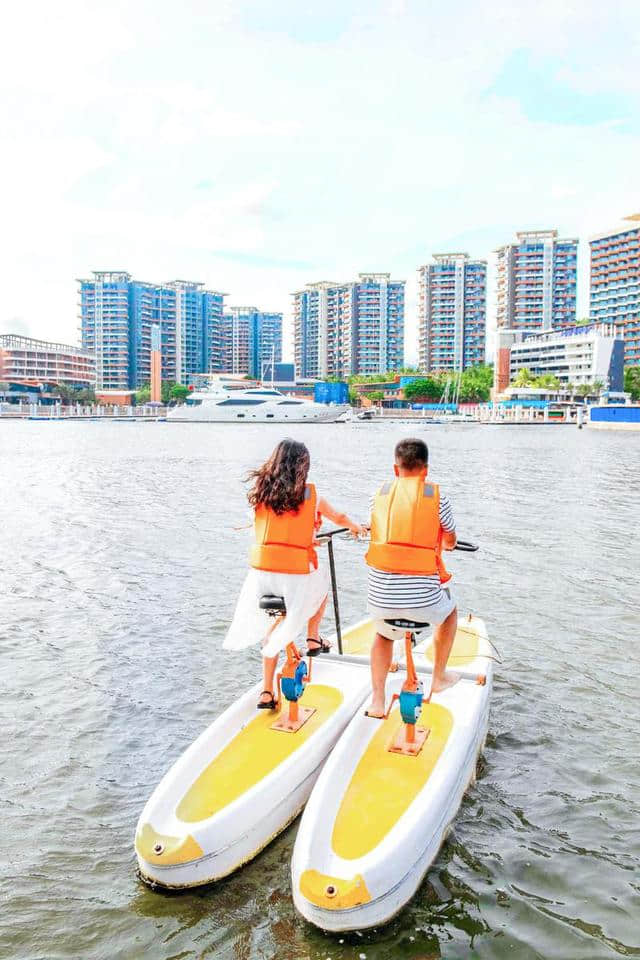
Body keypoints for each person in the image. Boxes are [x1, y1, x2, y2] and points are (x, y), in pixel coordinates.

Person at [224, 439, 365, 709]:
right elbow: (340, 517)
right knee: (322, 579)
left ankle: (266, 692)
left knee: (273, 628)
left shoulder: (261, 493)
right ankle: (313, 636)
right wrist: (357, 528)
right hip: (294, 574)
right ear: (303, 467)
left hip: (260, 575)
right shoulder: (312, 496)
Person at [364, 437, 459, 717]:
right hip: (424, 603)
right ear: (425, 470)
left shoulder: (378, 494)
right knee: (451, 612)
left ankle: (378, 701)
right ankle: (439, 678)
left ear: (396, 470)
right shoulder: (437, 497)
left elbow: (375, 530)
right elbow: (450, 541)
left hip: (380, 600)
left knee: (383, 634)